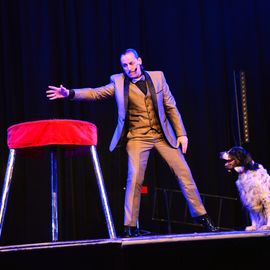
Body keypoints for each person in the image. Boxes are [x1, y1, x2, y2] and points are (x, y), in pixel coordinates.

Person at [46, 48, 218, 237]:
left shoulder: (158, 77)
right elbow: (95, 93)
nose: (129, 68)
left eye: (132, 63)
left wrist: (181, 134)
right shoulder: (118, 82)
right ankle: (130, 227)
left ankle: (202, 217)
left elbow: (171, 106)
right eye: (125, 65)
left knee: (184, 173)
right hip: (137, 137)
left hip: (163, 135)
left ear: (139, 61)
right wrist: (70, 93)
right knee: (134, 177)